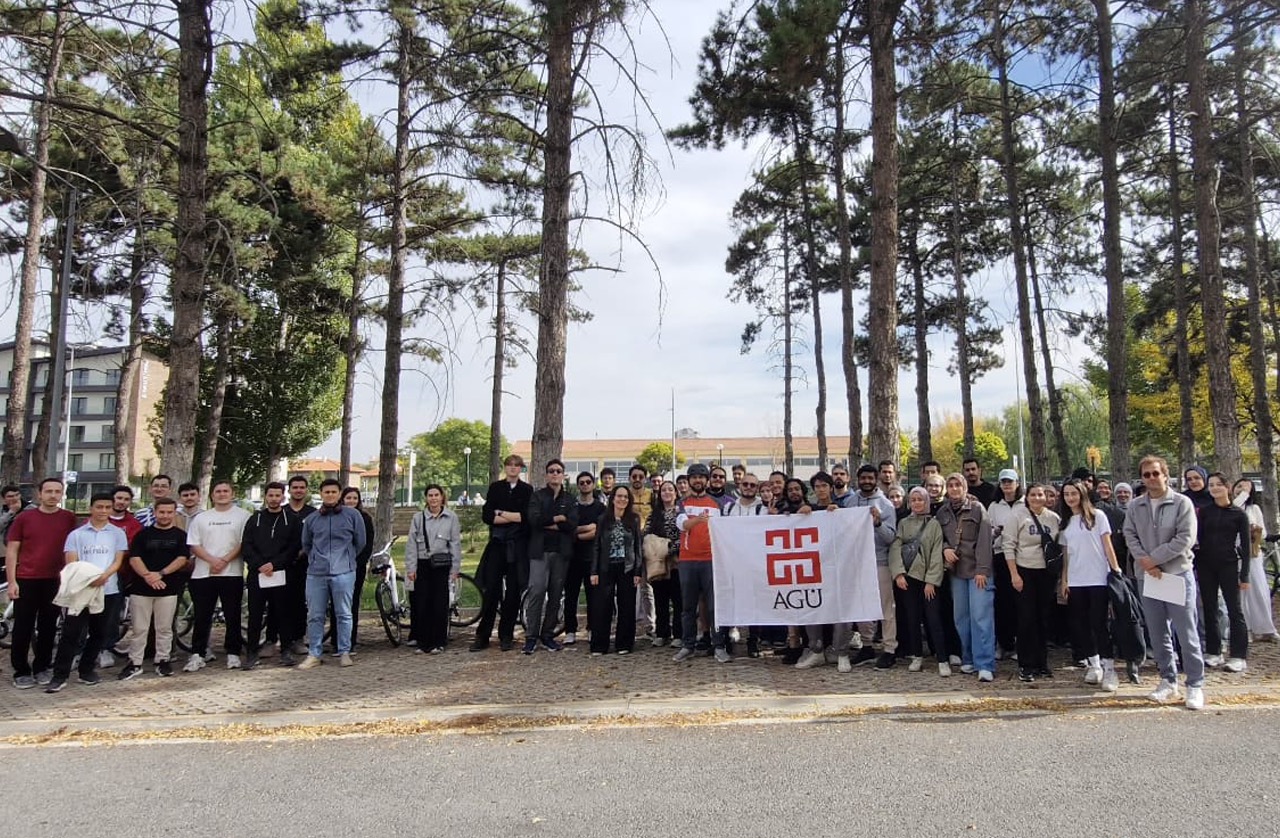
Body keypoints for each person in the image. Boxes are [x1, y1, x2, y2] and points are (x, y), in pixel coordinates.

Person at [1123, 455, 1206, 710]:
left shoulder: (1182, 503)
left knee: (1186, 631)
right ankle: (1167, 680)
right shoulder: (1136, 506)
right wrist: (1145, 562)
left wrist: (1154, 559)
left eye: (1155, 473)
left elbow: (1185, 538)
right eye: (1146, 475)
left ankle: (1195, 684)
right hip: (1148, 577)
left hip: (1176, 574)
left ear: (1165, 475)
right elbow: (1129, 534)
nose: (1151, 478)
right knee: (1158, 632)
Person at [43, 492, 128, 692]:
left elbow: (118, 561)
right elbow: (71, 562)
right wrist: (89, 579)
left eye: (108, 507)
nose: (103, 511)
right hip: (81, 591)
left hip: (108, 590)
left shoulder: (117, 533)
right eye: (99, 507)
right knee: (70, 633)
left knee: (100, 633)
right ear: (91, 508)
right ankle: (60, 675)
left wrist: (104, 577)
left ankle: (86, 670)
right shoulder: (77, 535)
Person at [7, 478, 78, 689]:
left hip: (55, 580)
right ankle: (21, 670)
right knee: (23, 627)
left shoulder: (68, 518)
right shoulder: (25, 518)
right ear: (39, 494)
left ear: (62, 494)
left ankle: (42, 667)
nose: (53, 495)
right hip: (27, 579)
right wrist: (12, 581)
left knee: (48, 627)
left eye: (57, 491)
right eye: (48, 491)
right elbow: (12, 550)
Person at [1059, 479, 1124, 691]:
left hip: (1098, 579)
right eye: (1067, 494)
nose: (1070, 498)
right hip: (1076, 581)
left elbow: (1107, 546)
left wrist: (1116, 571)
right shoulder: (1066, 522)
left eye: (1073, 494)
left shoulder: (1098, 517)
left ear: (1082, 494)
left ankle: (1109, 668)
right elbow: (1067, 555)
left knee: (1099, 624)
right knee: (1081, 625)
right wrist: (1065, 579)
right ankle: (1093, 663)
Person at [298, 479, 367, 669]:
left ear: (339, 494)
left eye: (333, 492)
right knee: (315, 615)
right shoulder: (312, 518)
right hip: (316, 573)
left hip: (344, 572)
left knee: (344, 613)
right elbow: (306, 543)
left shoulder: (352, 515)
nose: (330, 495)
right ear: (321, 493)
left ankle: (344, 651)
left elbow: (360, 542)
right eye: (326, 492)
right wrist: (316, 559)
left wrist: (347, 558)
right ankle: (314, 653)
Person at [184, 480, 252, 672]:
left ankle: (233, 653)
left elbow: (242, 543)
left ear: (232, 494)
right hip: (203, 574)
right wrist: (213, 561)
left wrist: (223, 561)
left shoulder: (243, 516)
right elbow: (194, 544)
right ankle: (198, 654)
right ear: (212, 495)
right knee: (202, 617)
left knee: (232, 615)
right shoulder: (202, 518)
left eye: (225, 491)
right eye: (218, 491)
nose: (222, 494)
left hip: (231, 573)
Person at [119, 498, 189, 680]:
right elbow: (134, 558)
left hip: (168, 588)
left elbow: (182, 559)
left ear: (174, 513)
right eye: (161, 512)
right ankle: (135, 663)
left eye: (169, 512)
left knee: (164, 628)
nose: (165, 516)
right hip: (141, 589)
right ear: (155, 513)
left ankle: (162, 661)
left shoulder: (180, 536)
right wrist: (148, 576)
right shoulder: (143, 535)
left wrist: (161, 573)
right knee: (139, 628)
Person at [935, 472, 995, 682]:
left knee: (981, 617)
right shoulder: (942, 512)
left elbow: (985, 539)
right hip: (957, 572)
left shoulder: (977, 509)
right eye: (950, 485)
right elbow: (937, 537)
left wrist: (983, 569)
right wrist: (944, 549)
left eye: (957, 485)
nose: (954, 489)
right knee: (961, 618)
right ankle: (968, 657)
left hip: (977, 570)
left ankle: (985, 663)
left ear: (965, 488)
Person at [794, 472, 854, 671]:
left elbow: (852, 532)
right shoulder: (807, 510)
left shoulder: (842, 509)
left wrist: (840, 516)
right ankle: (816, 649)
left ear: (830, 487)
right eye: (817, 486)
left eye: (824, 486)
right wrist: (799, 516)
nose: (820, 490)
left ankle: (841, 652)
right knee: (812, 606)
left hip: (839, 568)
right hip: (813, 569)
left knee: (841, 610)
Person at [240, 482, 304, 668]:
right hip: (258, 574)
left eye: (278, 495)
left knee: (283, 613)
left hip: (282, 573)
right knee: (255, 615)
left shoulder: (292, 520)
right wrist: (260, 565)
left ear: (283, 497)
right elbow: (247, 545)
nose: (274, 499)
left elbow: (294, 546)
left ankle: (285, 651)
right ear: (265, 497)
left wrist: (275, 564)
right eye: (271, 495)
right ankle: (252, 653)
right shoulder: (255, 519)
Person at [473, 455, 532, 652]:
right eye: (510, 465)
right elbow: (488, 515)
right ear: (505, 467)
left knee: (513, 593)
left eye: (517, 465)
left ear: (521, 469)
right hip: (497, 545)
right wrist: (507, 516)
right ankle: (483, 635)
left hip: (517, 546)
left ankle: (506, 634)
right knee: (491, 591)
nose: (513, 468)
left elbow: (524, 517)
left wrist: (501, 513)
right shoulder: (496, 488)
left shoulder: (527, 490)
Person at [890, 487, 950, 676]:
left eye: (920, 500)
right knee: (912, 618)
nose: (916, 503)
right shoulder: (903, 523)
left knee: (933, 619)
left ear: (927, 502)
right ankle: (917, 655)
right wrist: (898, 573)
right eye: (913, 499)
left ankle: (942, 658)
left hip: (927, 580)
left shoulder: (933, 524)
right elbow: (895, 548)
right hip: (908, 578)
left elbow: (936, 554)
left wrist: (931, 581)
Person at [672, 463, 729, 663]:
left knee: (715, 607)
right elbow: (682, 524)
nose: (698, 480)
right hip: (687, 561)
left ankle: (719, 645)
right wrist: (698, 520)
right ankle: (688, 646)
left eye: (701, 477)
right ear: (688, 481)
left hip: (711, 560)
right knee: (688, 607)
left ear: (706, 480)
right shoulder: (682, 503)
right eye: (694, 477)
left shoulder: (717, 504)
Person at [1003, 483, 1059, 682]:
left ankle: (1041, 663)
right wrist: (1014, 574)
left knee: (1043, 618)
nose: (1036, 498)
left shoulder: (1053, 519)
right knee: (1026, 619)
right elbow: (1008, 545)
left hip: (1046, 573)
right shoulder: (1018, 516)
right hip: (1024, 571)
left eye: (1040, 494)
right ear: (1027, 497)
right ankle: (1026, 665)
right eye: (1032, 494)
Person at [1195, 473, 1251, 672]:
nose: (1215, 488)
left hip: (1228, 564)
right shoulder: (1204, 512)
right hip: (1206, 565)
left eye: (1219, 484)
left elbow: (1246, 547)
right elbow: (1198, 539)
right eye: (1211, 485)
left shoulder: (1239, 514)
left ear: (1227, 487)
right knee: (1209, 609)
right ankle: (1214, 651)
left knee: (1234, 610)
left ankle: (1238, 655)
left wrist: (1244, 575)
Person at [845, 464, 898, 669]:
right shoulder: (850, 502)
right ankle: (867, 645)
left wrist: (878, 524)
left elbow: (891, 537)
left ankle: (889, 648)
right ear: (858, 479)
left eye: (870, 478)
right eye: (863, 478)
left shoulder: (886, 505)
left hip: (880, 562)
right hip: (856, 562)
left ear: (876, 479)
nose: (866, 481)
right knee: (861, 606)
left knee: (886, 607)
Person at [522, 459, 578, 654]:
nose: (555, 474)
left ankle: (547, 635)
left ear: (563, 475)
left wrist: (556, 522)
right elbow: (534, 521)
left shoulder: (570, 499)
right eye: (551, 471)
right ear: (546, 475)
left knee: (555, 595)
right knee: (536, 591)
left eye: (559, 471)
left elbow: (571, 525)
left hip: (561, 553)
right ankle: (531, 636)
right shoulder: (537, 497)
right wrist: (558, 519)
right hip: (539, 552)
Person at [405, 485, 462, 654]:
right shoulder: (418, 518)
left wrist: (455, 568)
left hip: (441, 564)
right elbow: (411, 544)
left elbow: (455, 544)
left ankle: (439, 641)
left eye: (436, 495)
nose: (433, 498)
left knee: (440, 603)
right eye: (430, 495)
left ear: (442, 497)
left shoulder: (451, 517)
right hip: (423, 563)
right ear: (426, 498)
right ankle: (423, 642)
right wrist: (411, 567)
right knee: (422, 603)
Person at [589, 485, 643, 655]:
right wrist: (594, 571)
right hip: (606, 567)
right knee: (602, 606)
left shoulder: (633, 519)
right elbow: (596, 545)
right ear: (613, 498)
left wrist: (637, 572)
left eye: (626, 497)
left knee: (626, 606)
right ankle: (599, 645)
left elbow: (637, 547)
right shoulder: (603, 519)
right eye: (619, 496)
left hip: (627, 568)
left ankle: (624, 644)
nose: (622, 500)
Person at [723, 472, 770, 659]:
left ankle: (753, 640)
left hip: (754, 562)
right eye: (746, 484)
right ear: (739, 486)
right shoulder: (728, 508)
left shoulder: (763, 509)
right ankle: (727, 637)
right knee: (730, 599)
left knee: (754, 601)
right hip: (731, 561)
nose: (749, 487)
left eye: (752, 485)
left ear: (757, 488)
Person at [1233, 478, 1279, 643]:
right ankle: (1247, 628)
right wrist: (1243, 493)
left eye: (1246, 488)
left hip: (1253, 554)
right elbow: (1234, 508)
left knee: (1260, 590)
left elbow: (1264, 533)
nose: (1242, 489)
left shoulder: (1255, 509)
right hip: (1236, 554)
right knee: (1242, 593)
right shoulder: (1232, 506)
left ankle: (1266, 628)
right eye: (1239, 486)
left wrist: (1254, 530)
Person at [987, 469, 1023, 663]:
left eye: (1010, 482)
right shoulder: (994, 506)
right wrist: (996, 532)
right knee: (1002, 602)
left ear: (1017, 483)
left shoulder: (1024, 504)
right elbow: (988, 531)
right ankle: (1004, 643)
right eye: (1004, 482)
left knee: (1020, 602)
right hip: (1000, 556)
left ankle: (1019, 643)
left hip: (1021, 556)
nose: (1007, 486)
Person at [564, 472, 604, 645]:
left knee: (593, 595)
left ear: (593, 485)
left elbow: (599, 531)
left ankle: (592, 628)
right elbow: (568, 529)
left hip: (592, 558)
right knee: (571, 596)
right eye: (582, 482)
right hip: (572, 557)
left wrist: (579, 531)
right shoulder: (572, 507)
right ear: (578, 485)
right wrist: (587, 528)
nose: (585, 485)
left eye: (588, 482)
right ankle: (570, 630)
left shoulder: (600, 508)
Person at [337, 487, 375, 649]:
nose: (351, 501)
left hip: (356, 567)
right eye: (348, 498)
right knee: (337, 603)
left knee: (352, 603)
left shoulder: (365, 518)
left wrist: (357, 562)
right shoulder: (336, 517)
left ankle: (349, 641)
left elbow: (366, 544)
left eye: (354, 498)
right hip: (337, 566)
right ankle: (335, 639)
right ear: (342, 499)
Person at [647, 480, 683, 648]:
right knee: (660, 601)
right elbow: (647, 535)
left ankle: (678, 634)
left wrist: (670, 548)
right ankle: (662, 633)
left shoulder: (682, 513)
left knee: (678, 601)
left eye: (670, 489)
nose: (667, 492)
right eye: (664, 490)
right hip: (658, 563)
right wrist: (659, 549)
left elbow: (685, 535)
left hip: (677, 562)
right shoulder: (654, 514)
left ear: (676, 493)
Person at [284, 475, 316, 653]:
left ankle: (298, 639)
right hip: (283, 565)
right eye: (295, 487)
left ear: (306, 490)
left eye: (302, 487)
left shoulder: (313, 513)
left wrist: (304, 551)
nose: (298, 490)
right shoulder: (282, 512)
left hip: (305, 565)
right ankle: (279, 639)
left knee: (301, 603)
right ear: (289, 490)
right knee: (280, 603)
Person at [628, 465, 656, 639]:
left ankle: (651, 625)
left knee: (647, 587)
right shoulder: (625, 494)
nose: (637, 479)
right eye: (634, 476)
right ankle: (627, 624)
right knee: (627, 586)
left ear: (644, 478)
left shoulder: (652, 496)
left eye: (640, 476)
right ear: (630, 478)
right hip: (629, 543)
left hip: (646, 542)